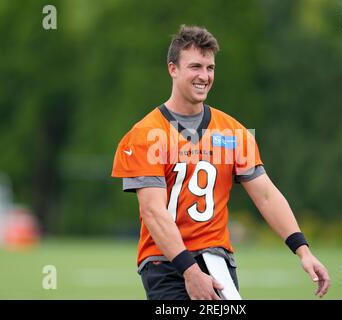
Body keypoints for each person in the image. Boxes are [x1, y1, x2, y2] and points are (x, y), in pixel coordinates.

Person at [111, 24, 330, 300]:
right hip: (165, 263)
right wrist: (190, 272)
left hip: (216, 260)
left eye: (210, 68)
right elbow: (153, 212)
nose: (204, 76)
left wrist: (303, 250)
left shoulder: (233, 132)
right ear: (173, 69)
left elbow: (265, 195)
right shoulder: (144, 135)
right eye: (195, 67)